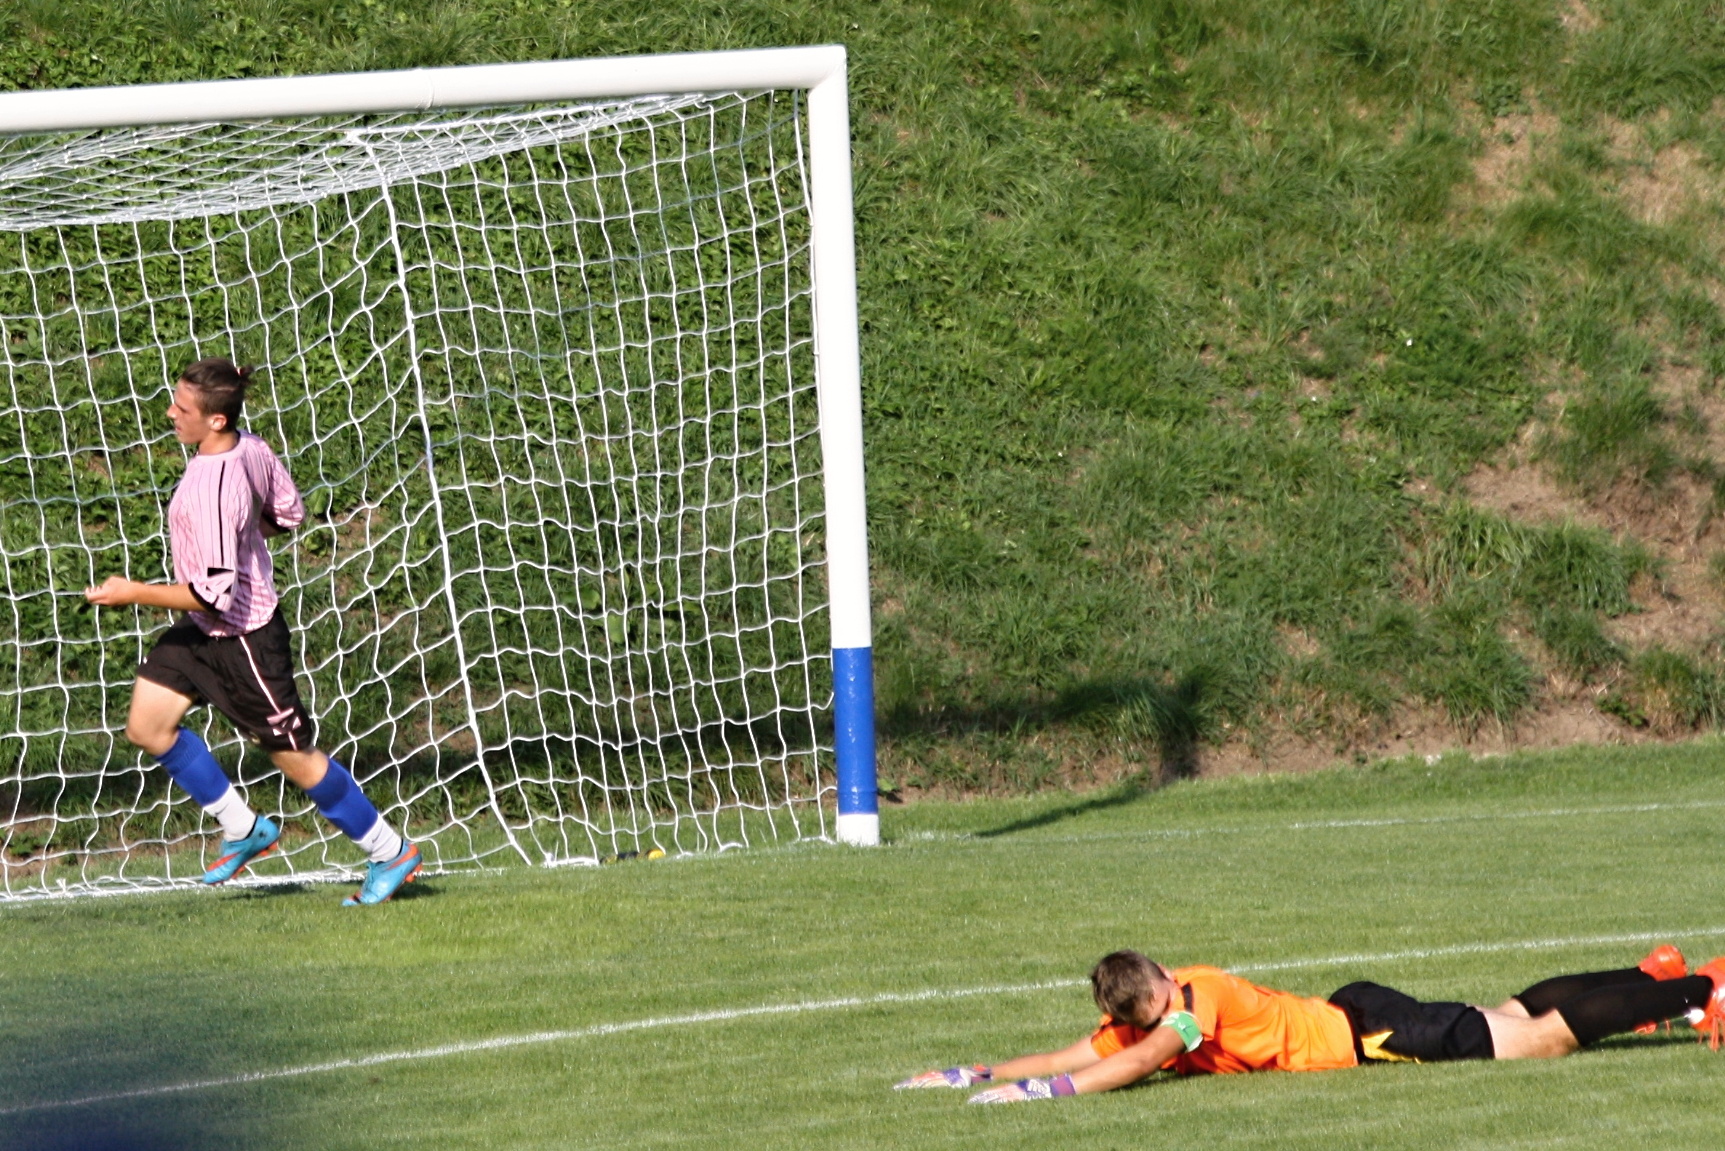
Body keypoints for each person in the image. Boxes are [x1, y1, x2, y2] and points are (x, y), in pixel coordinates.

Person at [85, 357, 421, 906]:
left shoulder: (213, 490)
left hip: (244, 639)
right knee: (148, 726)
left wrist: (131, 591)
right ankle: (243, 828)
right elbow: (288, 513)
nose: (170, 413)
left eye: (182, 408)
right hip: (204, 632)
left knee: (294, 757)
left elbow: (210, 594)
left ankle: (389, 851)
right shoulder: (251, 447)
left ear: (215, 420)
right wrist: (244, 537)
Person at [895, 943, 1725, 1102]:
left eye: (1165, 999)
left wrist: (1049, 1094)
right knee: (1507, 1013)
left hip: (1371, 1036)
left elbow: (1138, 1060)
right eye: (1151, 1011)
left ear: (1165, 977)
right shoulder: (1144, 1019)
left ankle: (1697, 985)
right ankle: (1649, 977)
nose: (1167, 1015)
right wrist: (977, 1072)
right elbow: (1075, 1049)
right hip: (1359, 1016)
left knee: (1536, 1037)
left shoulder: (1197, 996)